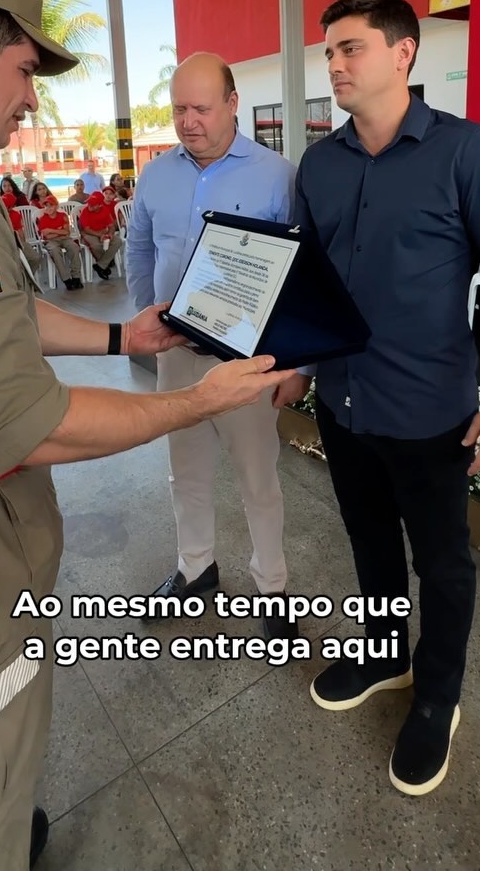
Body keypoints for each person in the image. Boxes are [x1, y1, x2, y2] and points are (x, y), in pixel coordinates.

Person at [0, 0, 293, 871]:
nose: (30, 101)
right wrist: (196, 399)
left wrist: (114, 339)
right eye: (24, 73)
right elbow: (31, 421)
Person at [288, 0, 480, 797]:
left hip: (430, 410)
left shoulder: (468, 154)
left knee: (442, 562)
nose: (335, 64)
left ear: (403, 54)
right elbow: (310, 276)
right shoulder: (320, 164)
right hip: (343, 400)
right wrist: (297, 362)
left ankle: (437, 698)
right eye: (329, 51)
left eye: (351, 48)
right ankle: (385, 659)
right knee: (368, 544)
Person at [126, 53, 301, 638]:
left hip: (245, 360)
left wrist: (297, 366)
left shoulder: (277, 175)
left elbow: (299, 273)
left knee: (258, 479)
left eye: (202, 108)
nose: (188, 121)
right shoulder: (155, 174)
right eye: (179, 109)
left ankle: (272, 586)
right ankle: (195, 568)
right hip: (177, 354)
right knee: (186, 472)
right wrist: (143, 322)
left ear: (233, 104)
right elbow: (141, 250)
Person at [36, 194, 82, 290]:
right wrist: (59, 231)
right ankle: (66, 280)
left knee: (74, 247)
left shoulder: (63, 216)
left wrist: (50, 230)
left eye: (51, 205)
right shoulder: (42, 219)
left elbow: (67, 232)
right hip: (50, 241)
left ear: (56, 206)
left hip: (65, 239)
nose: (48, 208)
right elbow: (47, 236)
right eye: (46, 206)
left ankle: (76, 277)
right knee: (55, 251)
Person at [78, 187, 123, 279]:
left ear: (99, 205)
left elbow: (111, 225)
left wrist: (110, 234)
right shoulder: (85, 211)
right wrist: (100, 235)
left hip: (103, 231)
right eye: (89, 203)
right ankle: (105, 265)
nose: (89, 206)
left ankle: (100, 265)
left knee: (117, 241)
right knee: (96, 245)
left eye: (93, 204)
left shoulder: (104, 210)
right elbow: (86, 229)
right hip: (89, 234)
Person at [1, 192, 42, 275]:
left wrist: (23, 245)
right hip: (3, 244)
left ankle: (28, 277)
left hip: (17, 242)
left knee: (35, 258)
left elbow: (20, 231)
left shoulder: (15, 214)